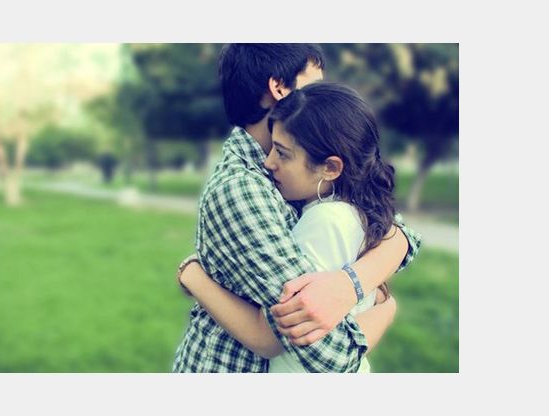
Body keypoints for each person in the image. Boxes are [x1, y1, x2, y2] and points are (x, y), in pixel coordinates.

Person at [172, 44, 420, 372]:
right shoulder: (244, 187)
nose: (324, 97)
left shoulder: (305, 165)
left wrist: (349, 284)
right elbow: (329, 354)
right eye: (315, 84)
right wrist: (386, 310)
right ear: (279, 88)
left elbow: (400, 235)